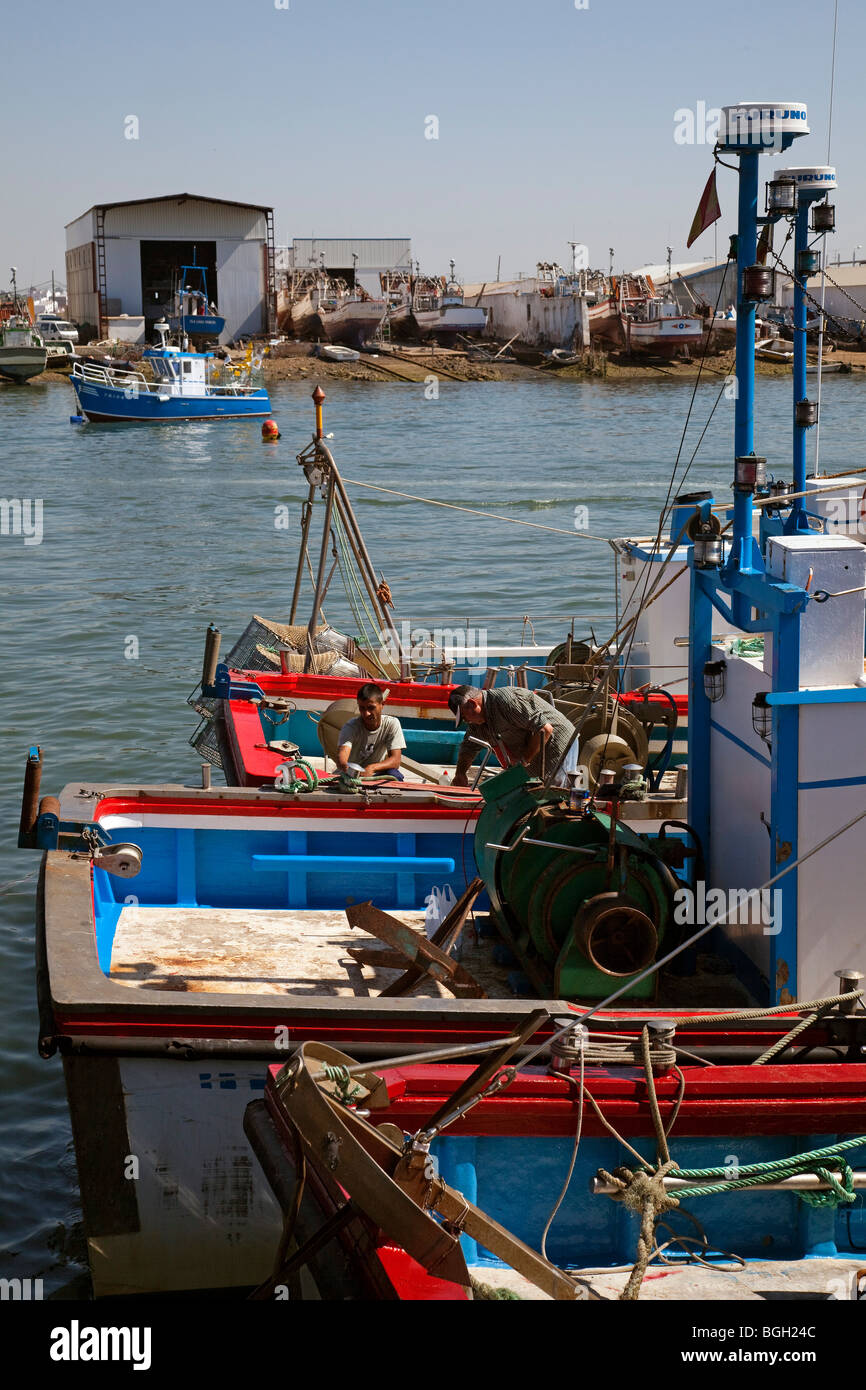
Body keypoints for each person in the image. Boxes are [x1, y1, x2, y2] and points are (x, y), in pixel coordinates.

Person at [449, 684, 578, 788]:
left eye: (465, 717)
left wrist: (524, 760)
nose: (467, 722)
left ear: (473, 704)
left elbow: (544, 729)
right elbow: (469, 747)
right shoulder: (477, 722)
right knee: (530, 793)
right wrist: (460, 773)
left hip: (557, 741)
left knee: (554, 791)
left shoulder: (507, 702)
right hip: (533, 753)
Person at [336, 683, 406, 780]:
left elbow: (396, 761)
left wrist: (372, 768)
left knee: (395, 774)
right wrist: (352, 772)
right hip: (349, 776)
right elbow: (342, 758)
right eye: (362, 708)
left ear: (382, 705)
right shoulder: (350, 727)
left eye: (371, 708)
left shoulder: (392, 724)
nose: (366, 713)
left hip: (375, 774)